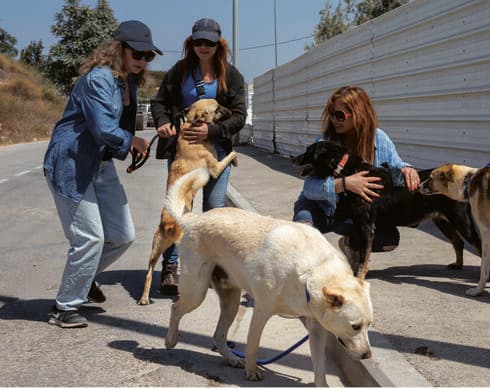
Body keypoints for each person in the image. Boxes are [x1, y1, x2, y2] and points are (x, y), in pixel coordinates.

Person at [43, 20, 162, 328]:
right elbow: (101, 128)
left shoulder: (127, 81)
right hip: (71, 162)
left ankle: (85, 279)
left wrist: (131, 144)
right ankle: (64, 307)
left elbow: (118, 128)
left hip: (100, 163)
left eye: (148, 56)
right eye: (137, 53)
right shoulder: (99, 79)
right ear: (118, 49)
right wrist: (131, 141)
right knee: (90, 237)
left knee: (123, 236)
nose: (142, 60)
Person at [151, 18, 246, 295]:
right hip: (183, 155)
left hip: (216, 152)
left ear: (219, 44)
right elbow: (159, 103)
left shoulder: (232, 75)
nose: (203, 47)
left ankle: (215, 268)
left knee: (215, 210)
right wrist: (163, 122)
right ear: (191, 43)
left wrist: (212, 130)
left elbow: (239, 116)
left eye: (209, 42)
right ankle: (171, 267)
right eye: (198, 42)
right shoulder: (179, 71)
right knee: (178, 210)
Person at [293, 85, 420, 256]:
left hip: (350, 212)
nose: (334, 120)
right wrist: (345, 184)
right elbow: (309, 188)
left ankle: (349, 245)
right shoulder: (325, 142)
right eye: (331, 113)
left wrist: (407, 168)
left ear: (359, 114)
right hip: (320, 207)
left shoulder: (379, 139)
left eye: (340, 115)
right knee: (301, 235)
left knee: (388, 240)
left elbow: (396, 163)